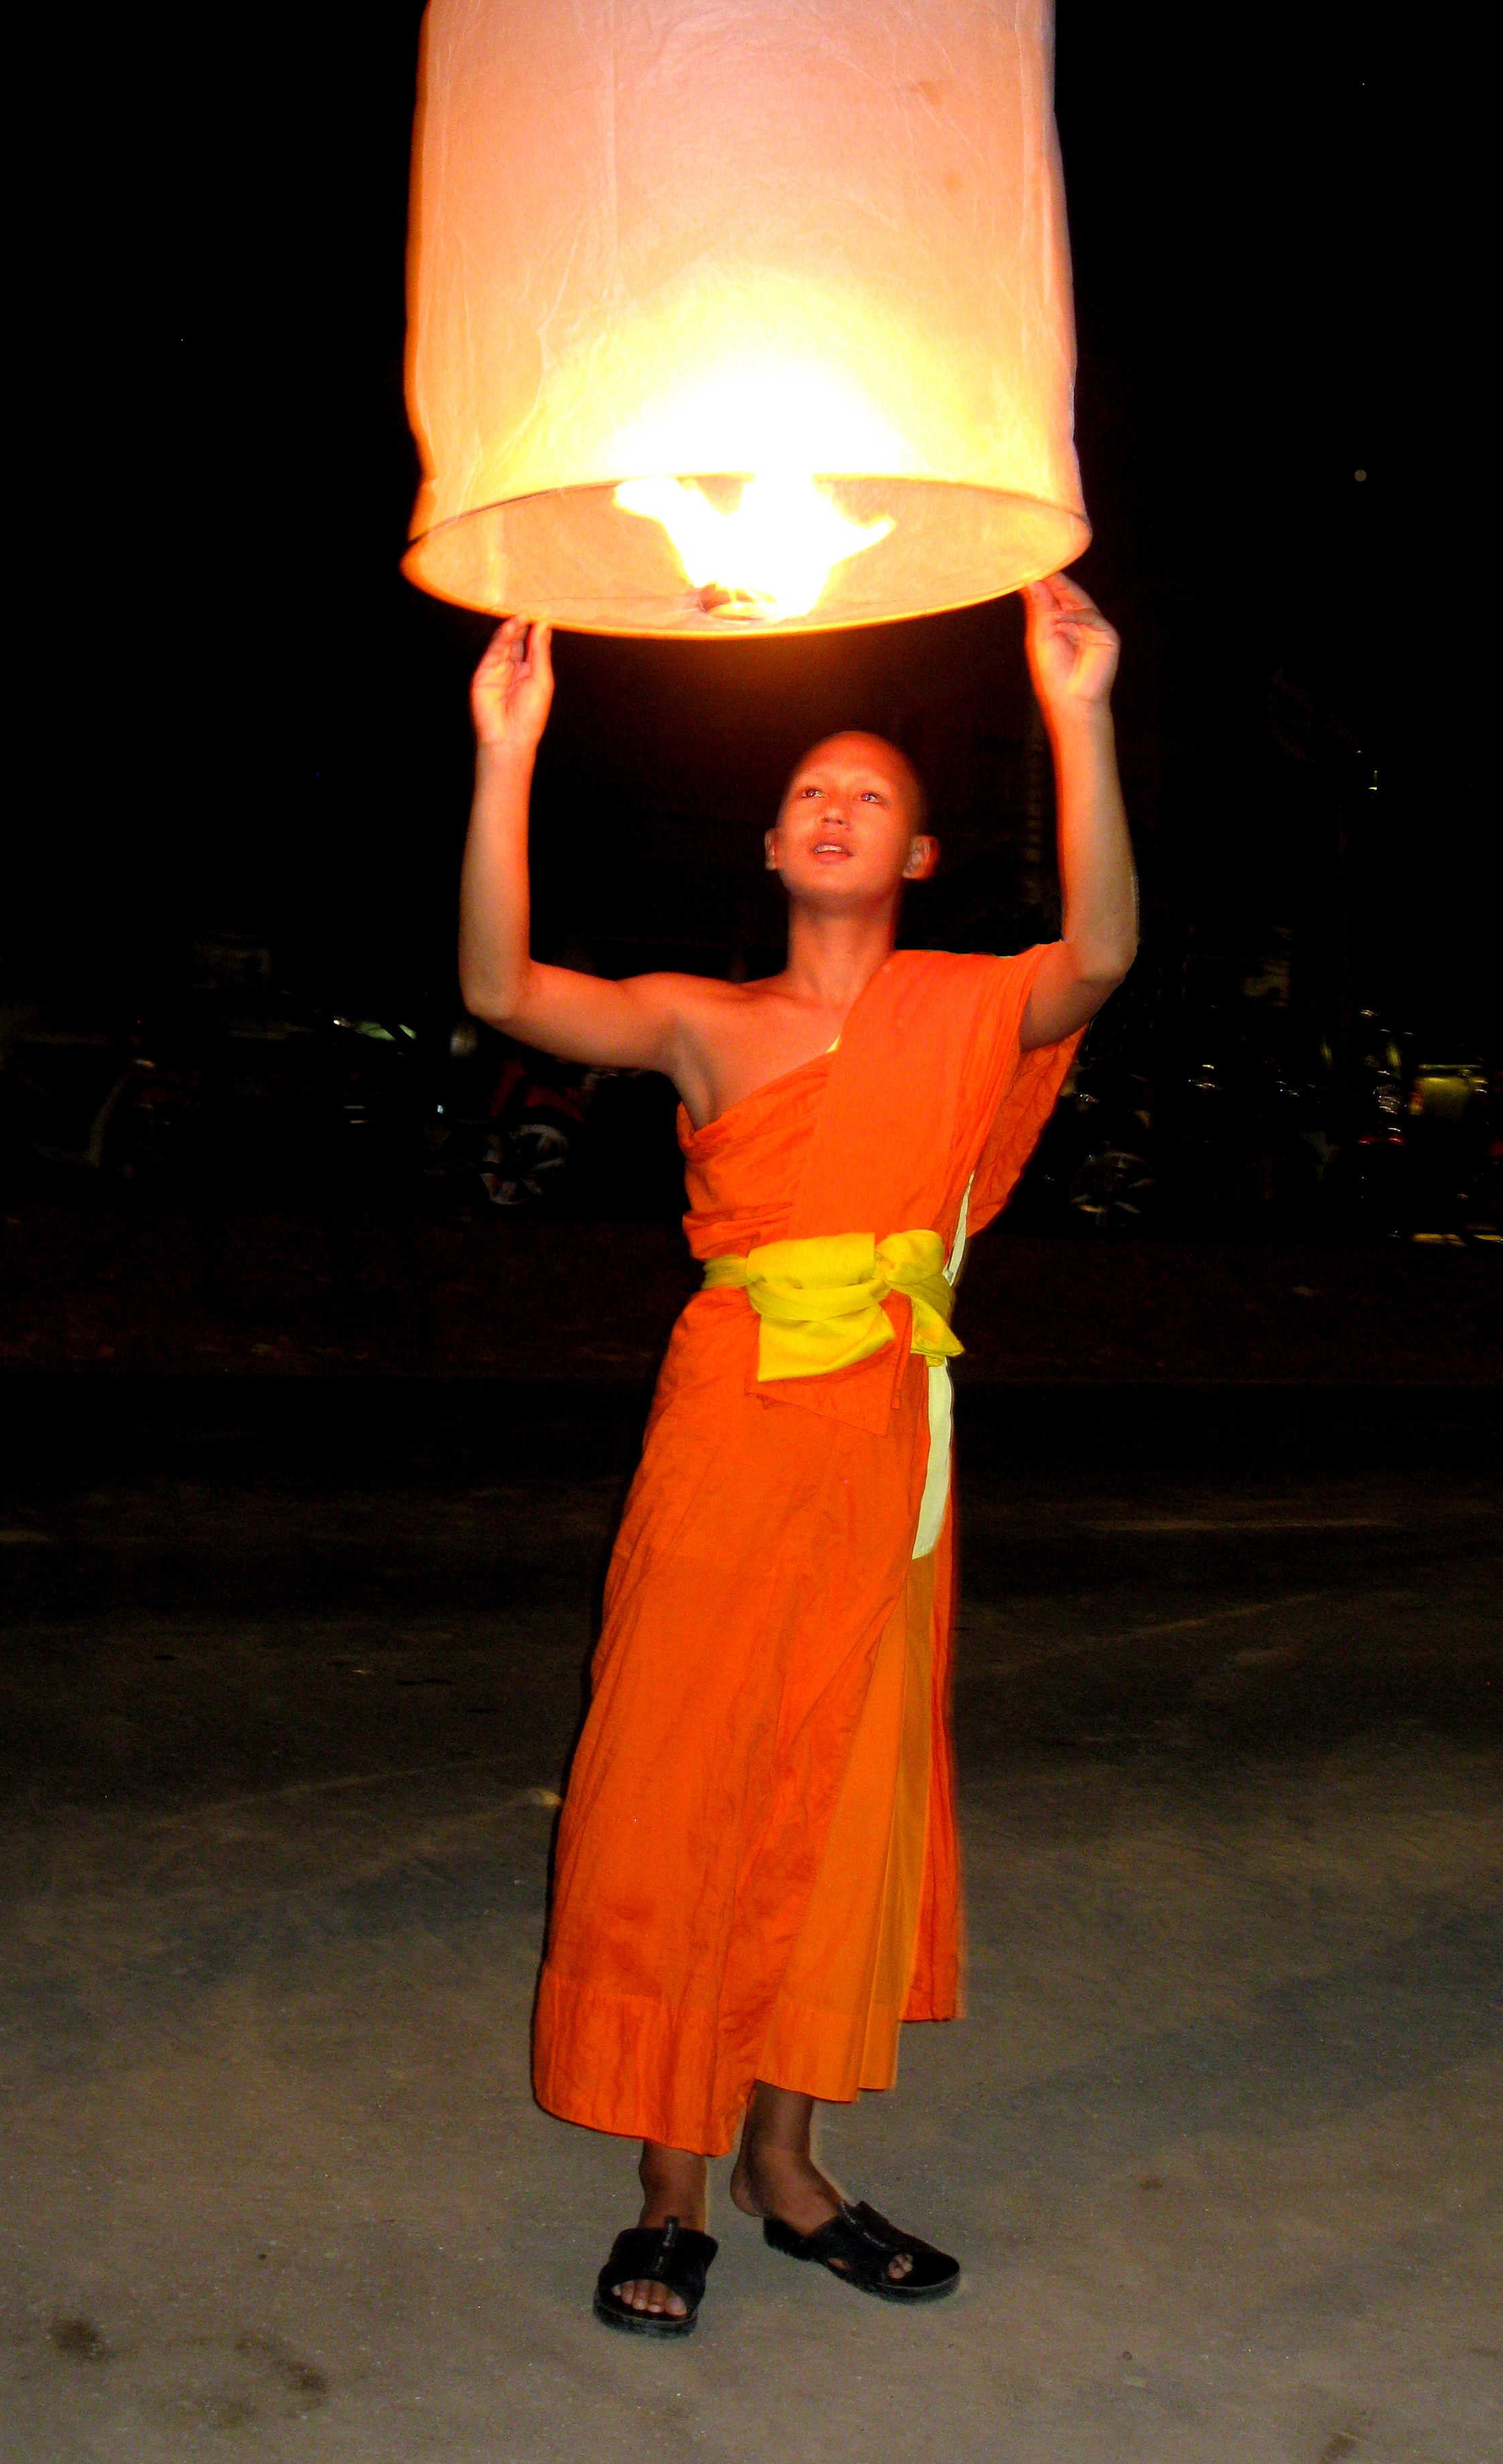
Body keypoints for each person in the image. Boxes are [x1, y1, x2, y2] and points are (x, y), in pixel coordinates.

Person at [459, 573, 1138, 2336]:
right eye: (811, 791)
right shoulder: (703, 1018)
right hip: (729, 1422)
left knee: (836, 1795)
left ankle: (789, 2165)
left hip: (881, 1447)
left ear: (917, 856)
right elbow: (500, 988)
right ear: (772, 844)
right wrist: (506, 755)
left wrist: (1078, 713)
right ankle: (669, 2183)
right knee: (678, 1773)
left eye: (875, 795)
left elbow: (1101, 958)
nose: (839, 807)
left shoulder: (966, 1006)